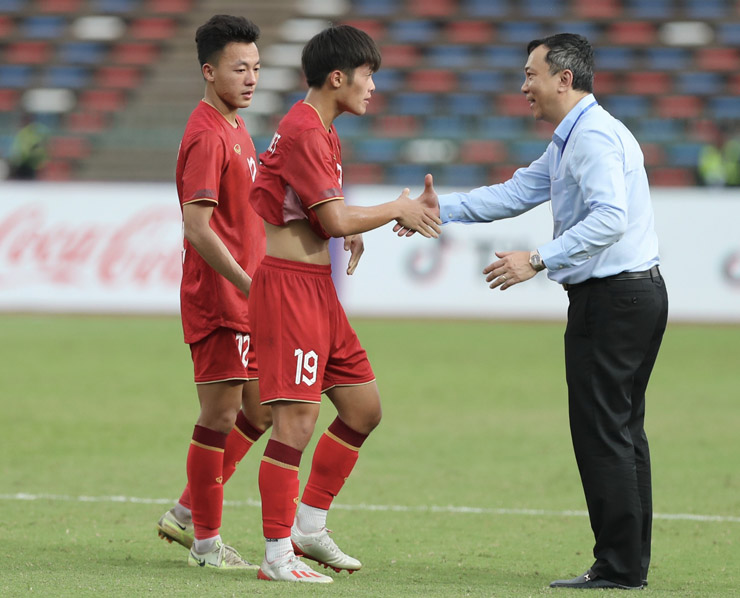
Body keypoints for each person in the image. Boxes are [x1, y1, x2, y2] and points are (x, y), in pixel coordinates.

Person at [403, 33, 668, 590]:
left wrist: (539, 259)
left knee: (602, 432)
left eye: (531, 74)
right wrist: (433, 210)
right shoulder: (575, 138)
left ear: (563, 80)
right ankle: (626, 563)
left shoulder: (592, 138)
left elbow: (609, 219)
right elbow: (515, 192)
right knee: (622, 431)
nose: (524, 86)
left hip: (614, 299)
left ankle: (619, 567)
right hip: (632, 296)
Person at [248, 25, 442, 583]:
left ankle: (309, 525)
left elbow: (311, 208)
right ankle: (277, 555)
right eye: (368, 75)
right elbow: (330, 217)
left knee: (362, 409)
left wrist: (346, 225)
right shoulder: (307, 130)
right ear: (339, 77)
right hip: (289, 290)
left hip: (317, 293)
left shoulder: (319, 128)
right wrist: (393, 209)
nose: (373, 86)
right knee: (296, 421)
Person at [155, 14, 272, 570]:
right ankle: (205, 544)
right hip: (222, 299)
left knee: (261, 409)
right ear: (209, 71)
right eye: (239, 68)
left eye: (256, 67)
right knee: (220, 416)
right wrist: (250, 284)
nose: (251, 78)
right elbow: (197, 226)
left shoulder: (236, 126)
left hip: (243, 298)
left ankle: (185, 511)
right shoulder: (206, 133)